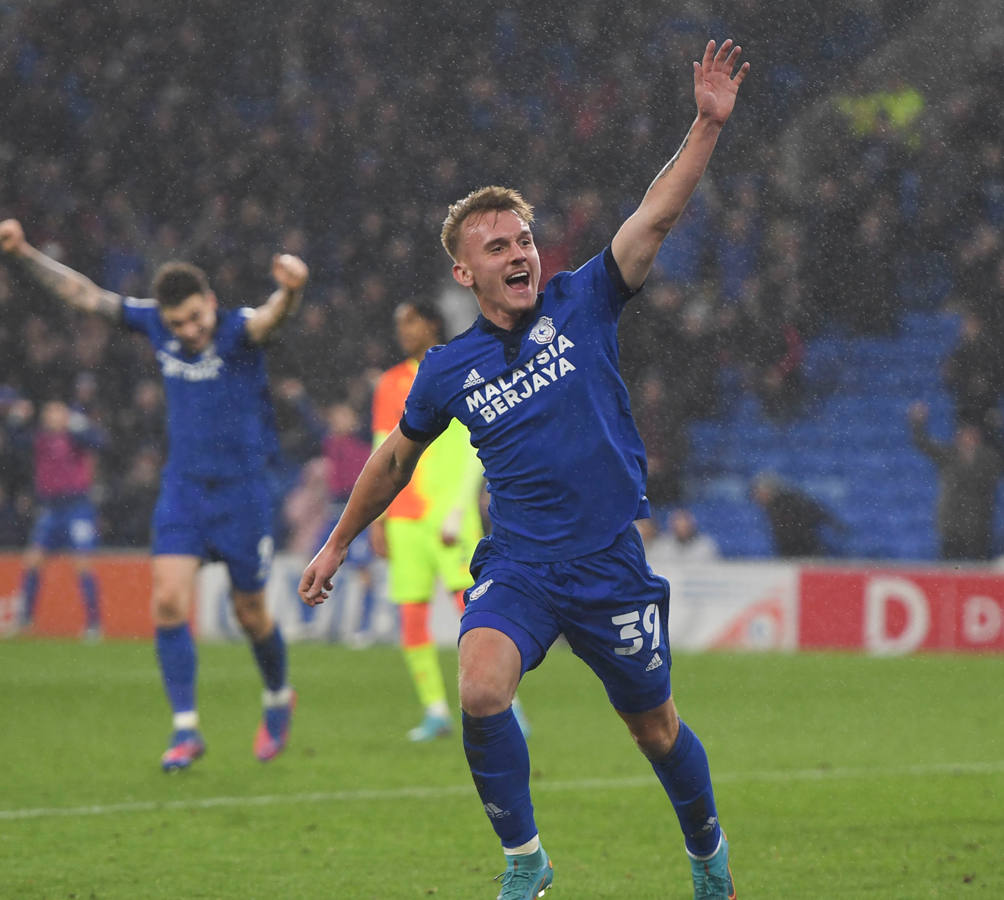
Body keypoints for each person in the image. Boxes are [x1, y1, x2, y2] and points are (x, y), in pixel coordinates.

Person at [300, 40, 748, 900]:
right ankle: (526, 862)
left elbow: (652, 217)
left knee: (656, 730)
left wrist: (704, 126)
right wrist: (335, 543)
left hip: (610, 562)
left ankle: (707, 855)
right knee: (479, 685)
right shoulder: (447, 370)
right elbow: (394, 461)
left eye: (525, 238)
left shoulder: (586, 299)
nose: (520, 254)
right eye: (498, 246)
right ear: (464, 272)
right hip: (523, 567)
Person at [0, 218, 309, 771]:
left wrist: (292, 289)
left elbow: (270, 317)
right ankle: (186, 730)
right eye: (177, 323)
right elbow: (85, 295)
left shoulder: (237, 330)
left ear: (211, 302)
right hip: (184, 490)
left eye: (194, 317)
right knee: (166, 601)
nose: (187, 330)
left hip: (243, 495)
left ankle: (279, 696)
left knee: (251, 614)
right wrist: (24, 254)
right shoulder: (155, 326)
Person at [370, 299, 512, 743]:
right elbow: (381, 449)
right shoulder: (389, 384)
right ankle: (434, 711)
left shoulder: (456, 370)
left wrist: (459, 505)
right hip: (406, 518)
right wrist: (378, 514)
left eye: (410, 321)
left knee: (475, 610)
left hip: (449, 517)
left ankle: (508, 705)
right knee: (411, 615)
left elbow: (476, 445)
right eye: (399, 323)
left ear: (431, 324)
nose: (403, 331)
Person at [14, 400, 105, 640]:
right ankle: (24, 620)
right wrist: (15, 420)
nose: (52, 417)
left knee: (82, 563)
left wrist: (80, 426)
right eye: (49, 413)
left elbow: (101, 443)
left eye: (56, 412)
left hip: (77, 506)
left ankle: (94, 625)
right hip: (51, 508)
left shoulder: (76, 437)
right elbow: (14, 443)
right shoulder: (41, 439)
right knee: (33, 561)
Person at [908, 402, 1003, 561]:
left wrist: (996, 429)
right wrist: (917, 424)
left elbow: (1000, 467)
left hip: (978, 525)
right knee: (950, 566)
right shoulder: (948, 454)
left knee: (977, 570)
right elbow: (923, 444)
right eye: (964, 433)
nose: (967, 438)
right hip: (952, 523)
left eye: (971, 434)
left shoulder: (988, 458)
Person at [750, 473, 843, 558]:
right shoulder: (774, 506)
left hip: (803, 550)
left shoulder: (788, 503)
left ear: (769, 490)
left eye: (759, 492)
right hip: (795, 551)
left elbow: (816, 512)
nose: (757, 497)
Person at [646, 508, 721, 568]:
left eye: (684, 523)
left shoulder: (705, 546)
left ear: (692, 524)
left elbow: (712, 571)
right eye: (677, 522)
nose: (681, 527)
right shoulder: (661, 545)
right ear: (671, 525)